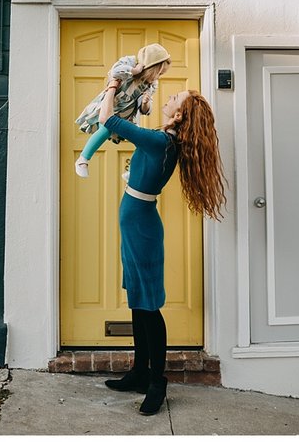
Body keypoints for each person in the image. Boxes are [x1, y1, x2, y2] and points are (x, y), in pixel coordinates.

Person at [97, 81, 226, 415]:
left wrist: (112, 85)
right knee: (139, 303)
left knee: (149, 307)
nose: (169, 99)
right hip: (137, 225)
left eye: (174, 99)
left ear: (181, 115)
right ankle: (140, 373)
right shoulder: (163, 139)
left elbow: (107, 118)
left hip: (143, 230)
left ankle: (157, 382)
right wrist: (143, 103)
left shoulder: (160, 142)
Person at [75, 43, 172, 178]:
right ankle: (82, 160)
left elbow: (144, 110)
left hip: (128, 115)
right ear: (152, 67)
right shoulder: (130, 62)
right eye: (159, 73)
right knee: (105, 129)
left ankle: (132, 171)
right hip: (111, 106)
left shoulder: (151, 84)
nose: (158, 78)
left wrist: (145, 103)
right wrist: (135, 71)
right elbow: (114, 73)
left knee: (140, 138)